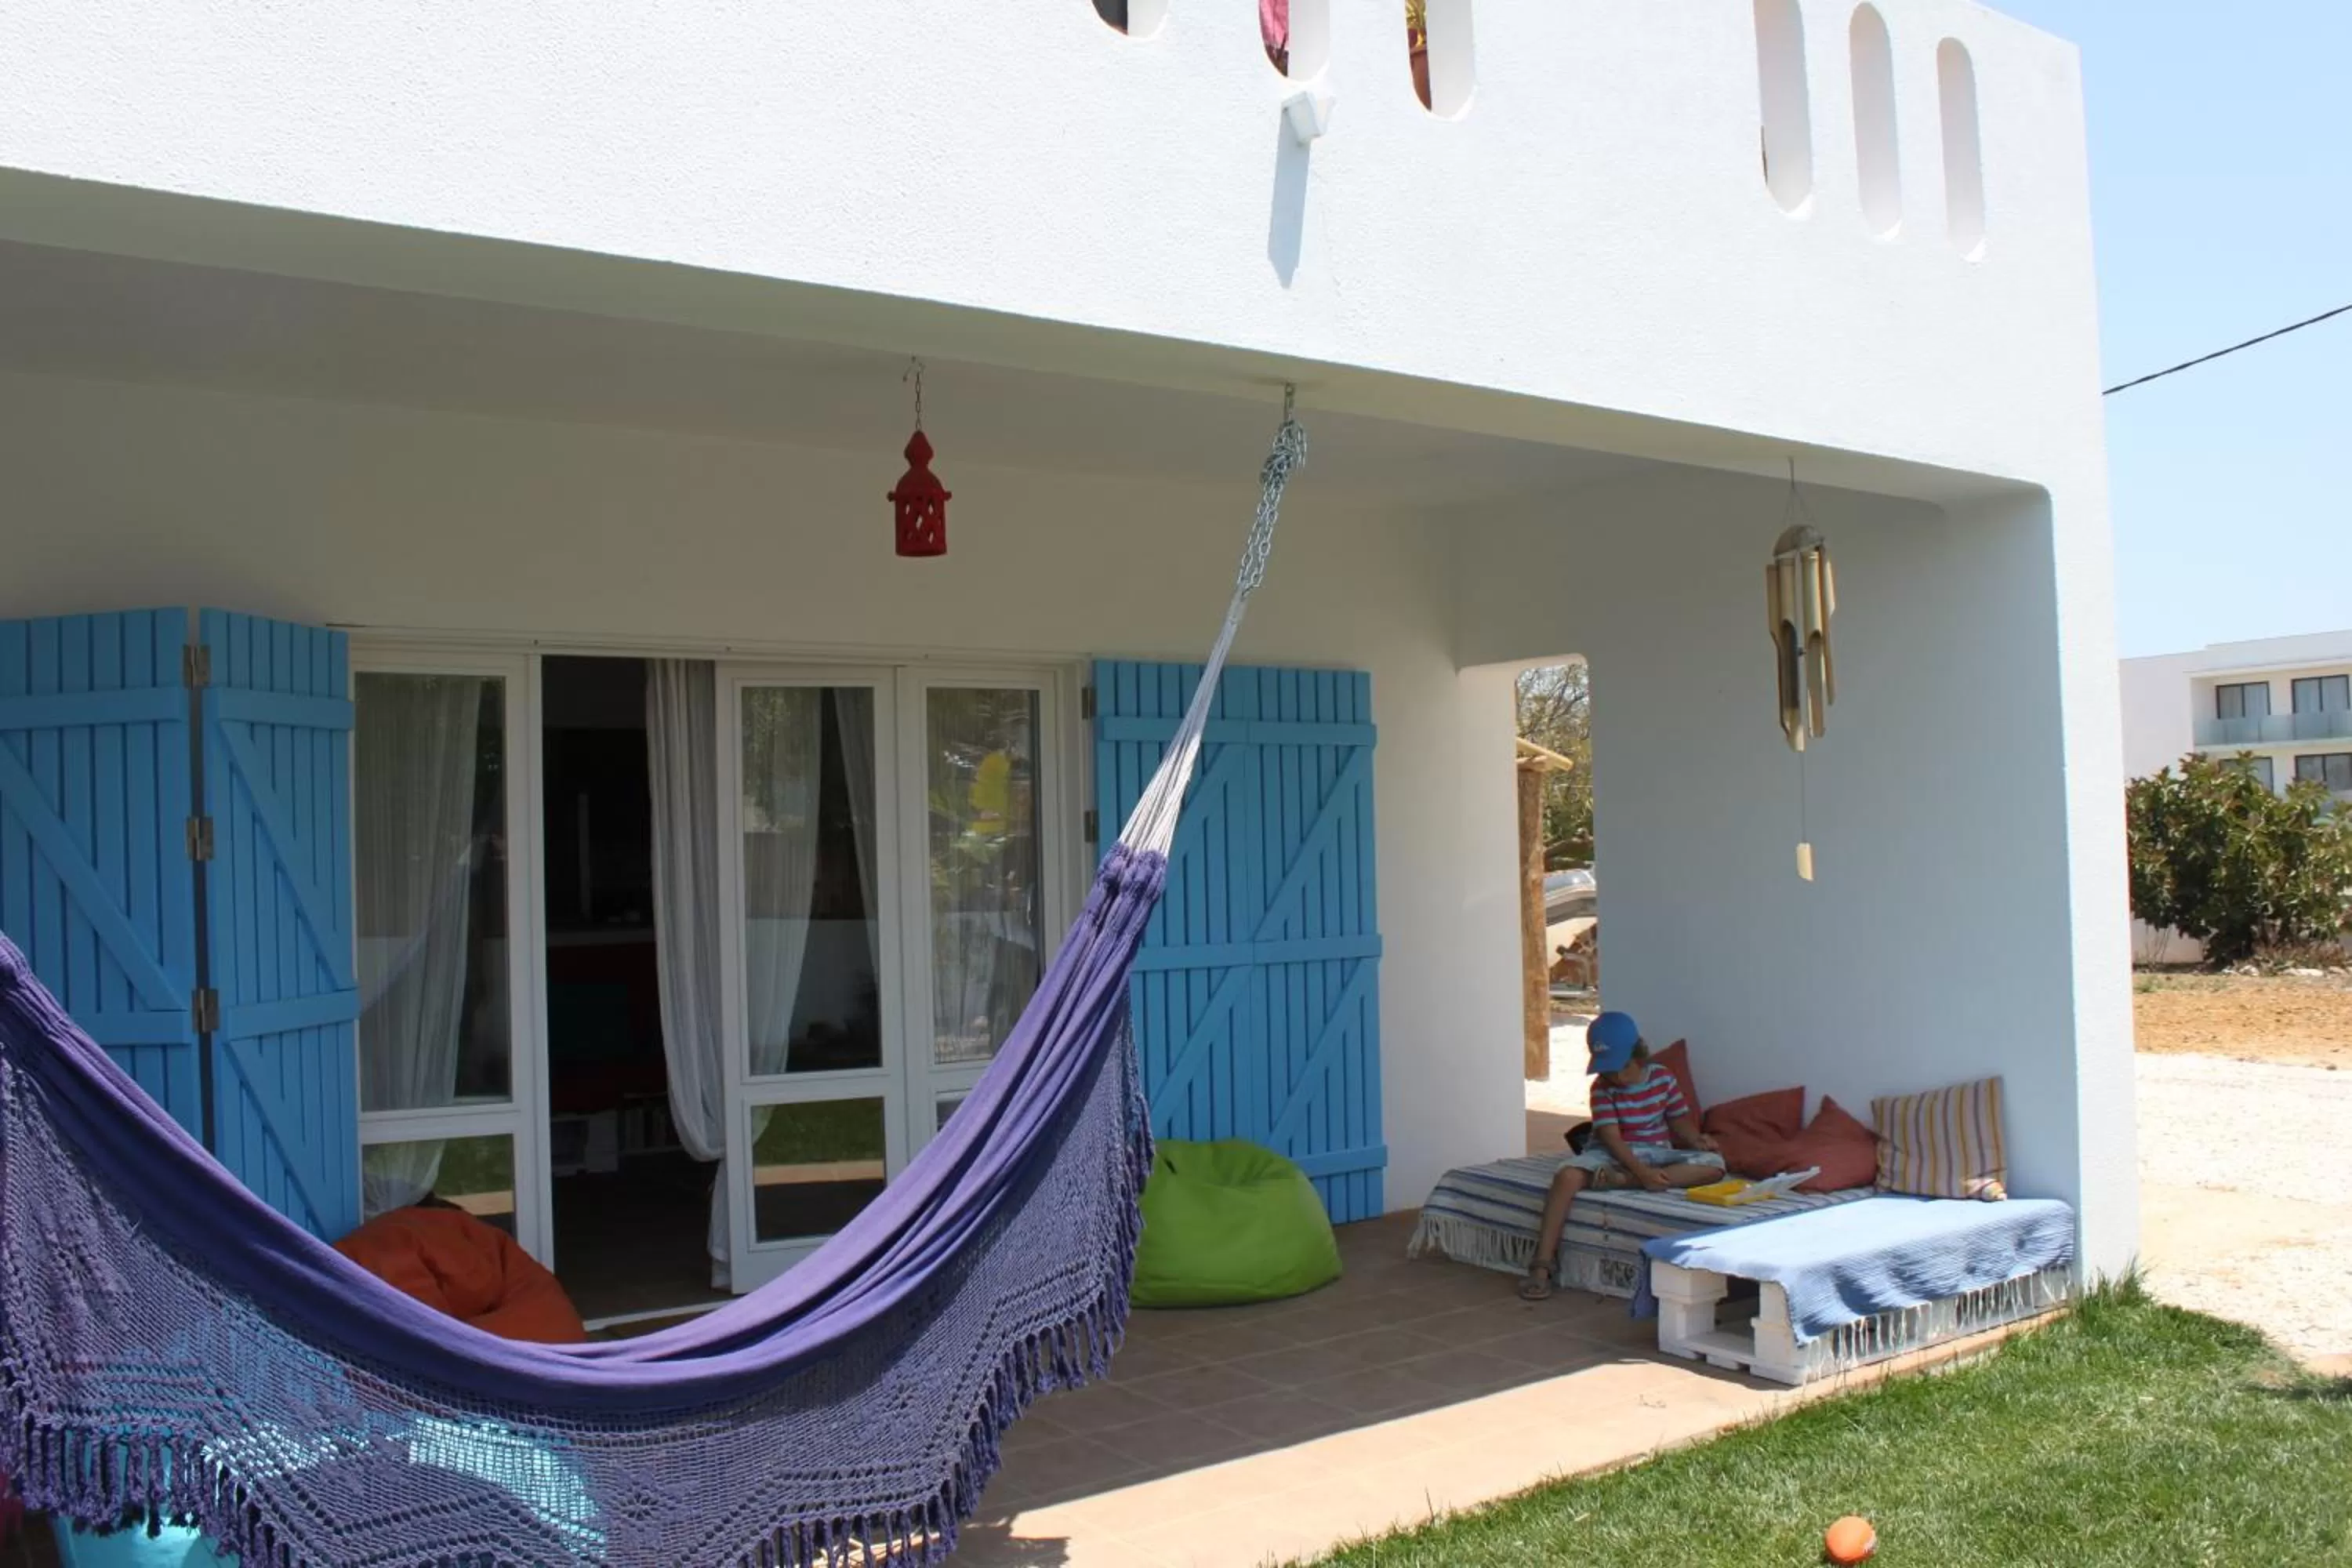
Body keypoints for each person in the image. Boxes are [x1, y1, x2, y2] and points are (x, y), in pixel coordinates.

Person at [1519, 1011, 1724, 1302]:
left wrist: (1697, 1140)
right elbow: (1611, 1138)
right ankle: (1542, 1264)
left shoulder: (1663, 1078)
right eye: (1608, 1070)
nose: (1617, 1077)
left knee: (1715, 1166)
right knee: (1566, 1177)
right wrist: (1642, 1173)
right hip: (1611, 1152)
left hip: (1655, 1152)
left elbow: (1678, 1120)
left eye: (1623, 1067)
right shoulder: (1602, 1089)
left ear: (1639, 1055)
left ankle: (1620, 1181)